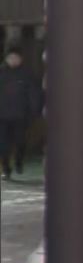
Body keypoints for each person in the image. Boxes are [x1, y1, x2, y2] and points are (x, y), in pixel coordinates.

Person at [0, 46, 41, 181]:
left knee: (20, 141)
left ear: (20, 59)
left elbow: (33, 94)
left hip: (20, 115)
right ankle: (6, 169)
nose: (12, 60)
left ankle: (18, 161)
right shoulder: (2, 72)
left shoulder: (27, 74)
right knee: (3, 144)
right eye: (10, 58)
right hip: (3, 116)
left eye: (15, 58)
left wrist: (34, 111)